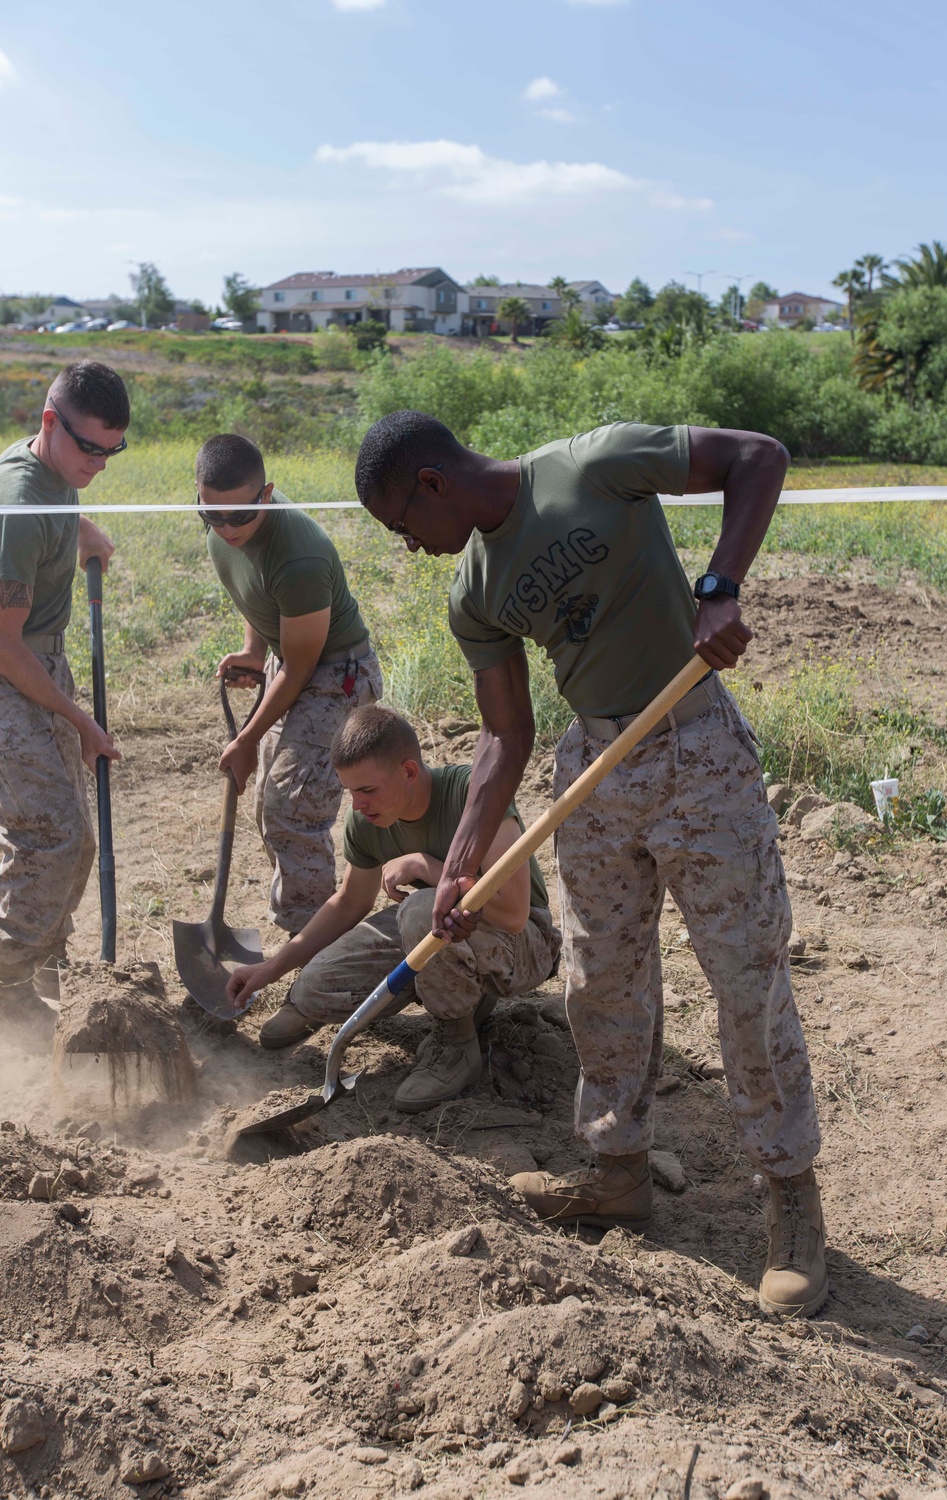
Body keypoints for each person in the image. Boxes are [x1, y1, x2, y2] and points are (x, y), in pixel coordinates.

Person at [353, 410, 827, 1318]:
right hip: (596, 774)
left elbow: (759, 453)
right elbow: (504, 733)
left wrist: (720, 588)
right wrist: (458, 866)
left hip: (696, 747)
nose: (410, 546)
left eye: (404, 525)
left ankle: (792, 1199)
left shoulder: (593, 464)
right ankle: (618, 1171)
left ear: (431, 482)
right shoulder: (474, 591)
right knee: (600, 979)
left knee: (746, 979)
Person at [226, 704, 560, 1113]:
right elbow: (350, 902)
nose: (359, 804)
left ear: (408, 771)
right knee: (315, 987)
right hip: (435, 929)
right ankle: (457, 994)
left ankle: (455, 1045)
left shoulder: (473, 796)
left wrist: (426, 865)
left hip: (524, 942)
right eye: (350, 792)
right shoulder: (367, 820)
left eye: (367, 790)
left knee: (420, 911)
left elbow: (513, 912)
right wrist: (270, 969)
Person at [197, 433, 381, 934]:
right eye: (213, 513)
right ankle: (303, 927)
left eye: (240, 515)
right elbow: (258, 592)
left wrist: (245, 740)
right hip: (291, 661)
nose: (227, 527)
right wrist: (254, 652)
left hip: (337, 676)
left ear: (267, 493)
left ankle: (313, 945)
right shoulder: (219, 523)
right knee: (269, 805)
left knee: (293, 807)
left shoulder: (300, 556)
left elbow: (304, 668)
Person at [0, 361, 125, 1048]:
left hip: (36, 663)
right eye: (91, 449)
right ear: (52, 422)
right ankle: (6, 982)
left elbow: (53, 499)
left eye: (113, 451)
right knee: (52, 838)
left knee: (73, 841)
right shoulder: (20, 506)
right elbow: (4, 647)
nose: (100, 464)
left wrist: (83, 533)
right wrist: (81, 723)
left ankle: (45, 967)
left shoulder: (52, 474)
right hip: (13, 674)